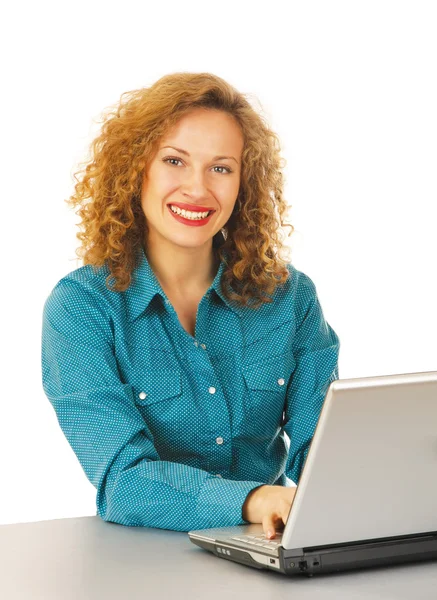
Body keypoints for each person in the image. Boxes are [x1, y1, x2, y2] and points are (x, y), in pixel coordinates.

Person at [41, 72, 340, 540]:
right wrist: (251, 499)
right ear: (135, 169)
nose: (198, 190)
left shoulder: (290, 298)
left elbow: (325, 453)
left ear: (244, 183)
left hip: (268, 548)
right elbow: (123, 480)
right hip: (140, 563)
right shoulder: (82, 310)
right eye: (175, 161)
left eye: (221, 168)